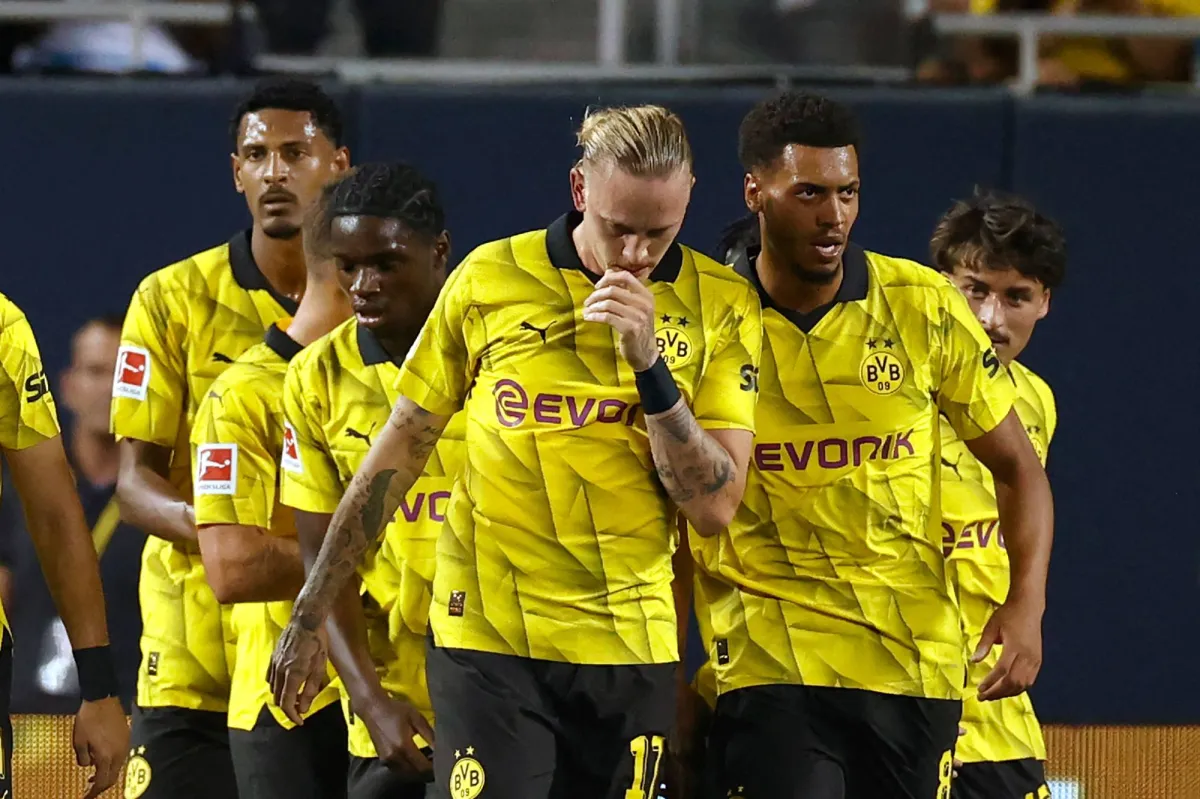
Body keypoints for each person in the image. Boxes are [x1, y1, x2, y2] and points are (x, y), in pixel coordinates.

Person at [271, 105, 764, 799]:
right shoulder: (489, 279)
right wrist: (309, 612)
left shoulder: (724, 305)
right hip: (488, 639)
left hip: (629, 642)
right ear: (579, 190)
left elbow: (713, 507)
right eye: (618, 228)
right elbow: (396, 454)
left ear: (689, 196)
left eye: (659, 232)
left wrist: (650, 366)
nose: (635, 253)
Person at [700, 90, 1054, 799]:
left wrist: (1026, 606)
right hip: (771, 658)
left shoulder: (921, 306)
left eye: (848, 192)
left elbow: (1019, 469)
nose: (833, 215)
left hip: (911, 666)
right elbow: (682, 513)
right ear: (755, 193)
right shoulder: (706, 318)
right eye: (809, 193)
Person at [111, 77, 349, 799]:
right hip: (193, 655)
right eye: (256, 155)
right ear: (236, 173)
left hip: (316, 659)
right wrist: (226, 538)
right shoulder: (171, 299)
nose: (275, 171)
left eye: (295, 152)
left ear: (338, 164)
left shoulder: (369, 305)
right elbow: (133, 485)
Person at [279, 161, 457, 799]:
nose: (362, 285)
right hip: (396, 709)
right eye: (348, 266)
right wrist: (370, 701)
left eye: (385, 263)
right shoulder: (315, 379)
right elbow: (322, 555)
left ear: (439, 253)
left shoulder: (498, 357)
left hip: (505, 691)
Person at [190, 177, 355, 799]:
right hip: (291, 707)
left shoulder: (412, 388)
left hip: (404, 689)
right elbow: (232, 567)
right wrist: (382, 552)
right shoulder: (243, 395)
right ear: (352, 271)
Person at [930, 190, 1066, 799]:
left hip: (997, 714)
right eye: (975, 289)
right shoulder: (892, 394)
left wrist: (1028, 611)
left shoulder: (1036, 399)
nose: (991, 319)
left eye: (1017, 297)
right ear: (941, 287)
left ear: (1045, 303)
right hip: (898, 700)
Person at [0, 295, 130, 798]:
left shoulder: (164, 501)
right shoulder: (16, 495)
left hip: (128, 714)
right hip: (26, 720)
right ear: (67, 386)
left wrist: (101, 688)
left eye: (122, 372)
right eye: (96, 372)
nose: (110, 388)